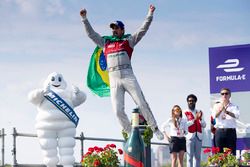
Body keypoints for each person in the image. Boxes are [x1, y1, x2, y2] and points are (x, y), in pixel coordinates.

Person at [79, 5, 164, 140]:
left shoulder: (128, 40)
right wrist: (84, 19)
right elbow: (91, 34)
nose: (114, 30)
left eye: (116, 28)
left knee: (141, 103)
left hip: (128, 76)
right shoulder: (105, 43)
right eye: (112, 28)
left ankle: (155, 128)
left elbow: (143, 29)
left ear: (122, 30)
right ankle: (131, 133)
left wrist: (150, 14)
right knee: (118, 111)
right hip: (114, 79)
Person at [212, 88, 240, 155]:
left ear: (230, 95)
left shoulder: (234, 106)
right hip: (219, 132)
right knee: (219, 154)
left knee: (231, 153)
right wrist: (220, 110)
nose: (224, 95)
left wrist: (227, 112)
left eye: (226, 93)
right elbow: (214, 116)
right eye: (222, 94)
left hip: (230, 132)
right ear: (221, 95)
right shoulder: (216, 105)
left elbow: (237, 116)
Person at [184, 94, 206, 167]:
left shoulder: (200, 112)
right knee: (189, 157)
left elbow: (204, 125)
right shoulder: (185, 112)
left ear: (195, 102)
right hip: (190, 137)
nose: (190, 102)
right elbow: (185, 125)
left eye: (192, 101)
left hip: (198, 137)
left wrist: (200, 119)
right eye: (189, 101)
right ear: (187, 102)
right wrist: (194, 120)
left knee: (198, 157)